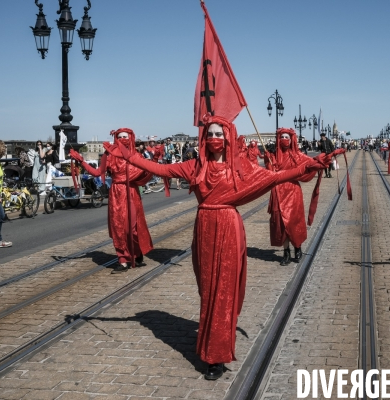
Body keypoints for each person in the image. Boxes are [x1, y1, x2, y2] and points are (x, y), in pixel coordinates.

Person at [109, 115, 337, 381]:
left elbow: (276, 177)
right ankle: (209, 347)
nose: (214, 139)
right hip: (204, 229)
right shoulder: (195, 166)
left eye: (219, 134)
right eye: (210, 134)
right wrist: (127, 154)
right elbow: (159, 170)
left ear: (228, 137)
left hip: (229, 228)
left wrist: (311, 166)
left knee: (223, 292)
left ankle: (216, 356)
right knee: (208, 291)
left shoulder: (240, 169)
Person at [69, 129, 154, 273]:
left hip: (131, 192)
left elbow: (147, 171)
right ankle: (123, 259)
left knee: (132, 228)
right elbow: (97, 173)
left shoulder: (136, 155)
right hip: (117, 193)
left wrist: (155, 160)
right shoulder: (109, 155)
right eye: (119, 137)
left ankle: (136, 253)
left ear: (131, 138)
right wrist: (82, 161)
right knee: (118, 228)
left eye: (125, 137)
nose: (122, 139)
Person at [266, 128, 331, 265]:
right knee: (281, 224)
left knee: (294, 221)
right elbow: (268, 174)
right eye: (282, 136)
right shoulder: (273, 156)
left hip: (293, 192)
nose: (284, 139)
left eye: (286, 137)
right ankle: (286, 253)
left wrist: (321, 161)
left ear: (291, 140)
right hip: (278, 192)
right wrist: (268, 161)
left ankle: (297, 247)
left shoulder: (297, 155)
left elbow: (310, 163)